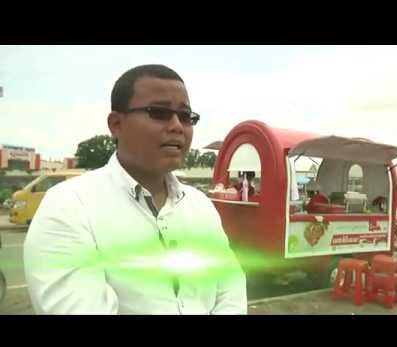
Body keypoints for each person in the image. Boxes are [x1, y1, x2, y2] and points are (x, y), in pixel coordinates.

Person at [24, 64, 247, 314]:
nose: (177, 126)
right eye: (159, 112)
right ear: (116, 124)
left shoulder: (201, 206)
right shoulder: (70, 206)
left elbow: (231, 290)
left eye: (186, 117)